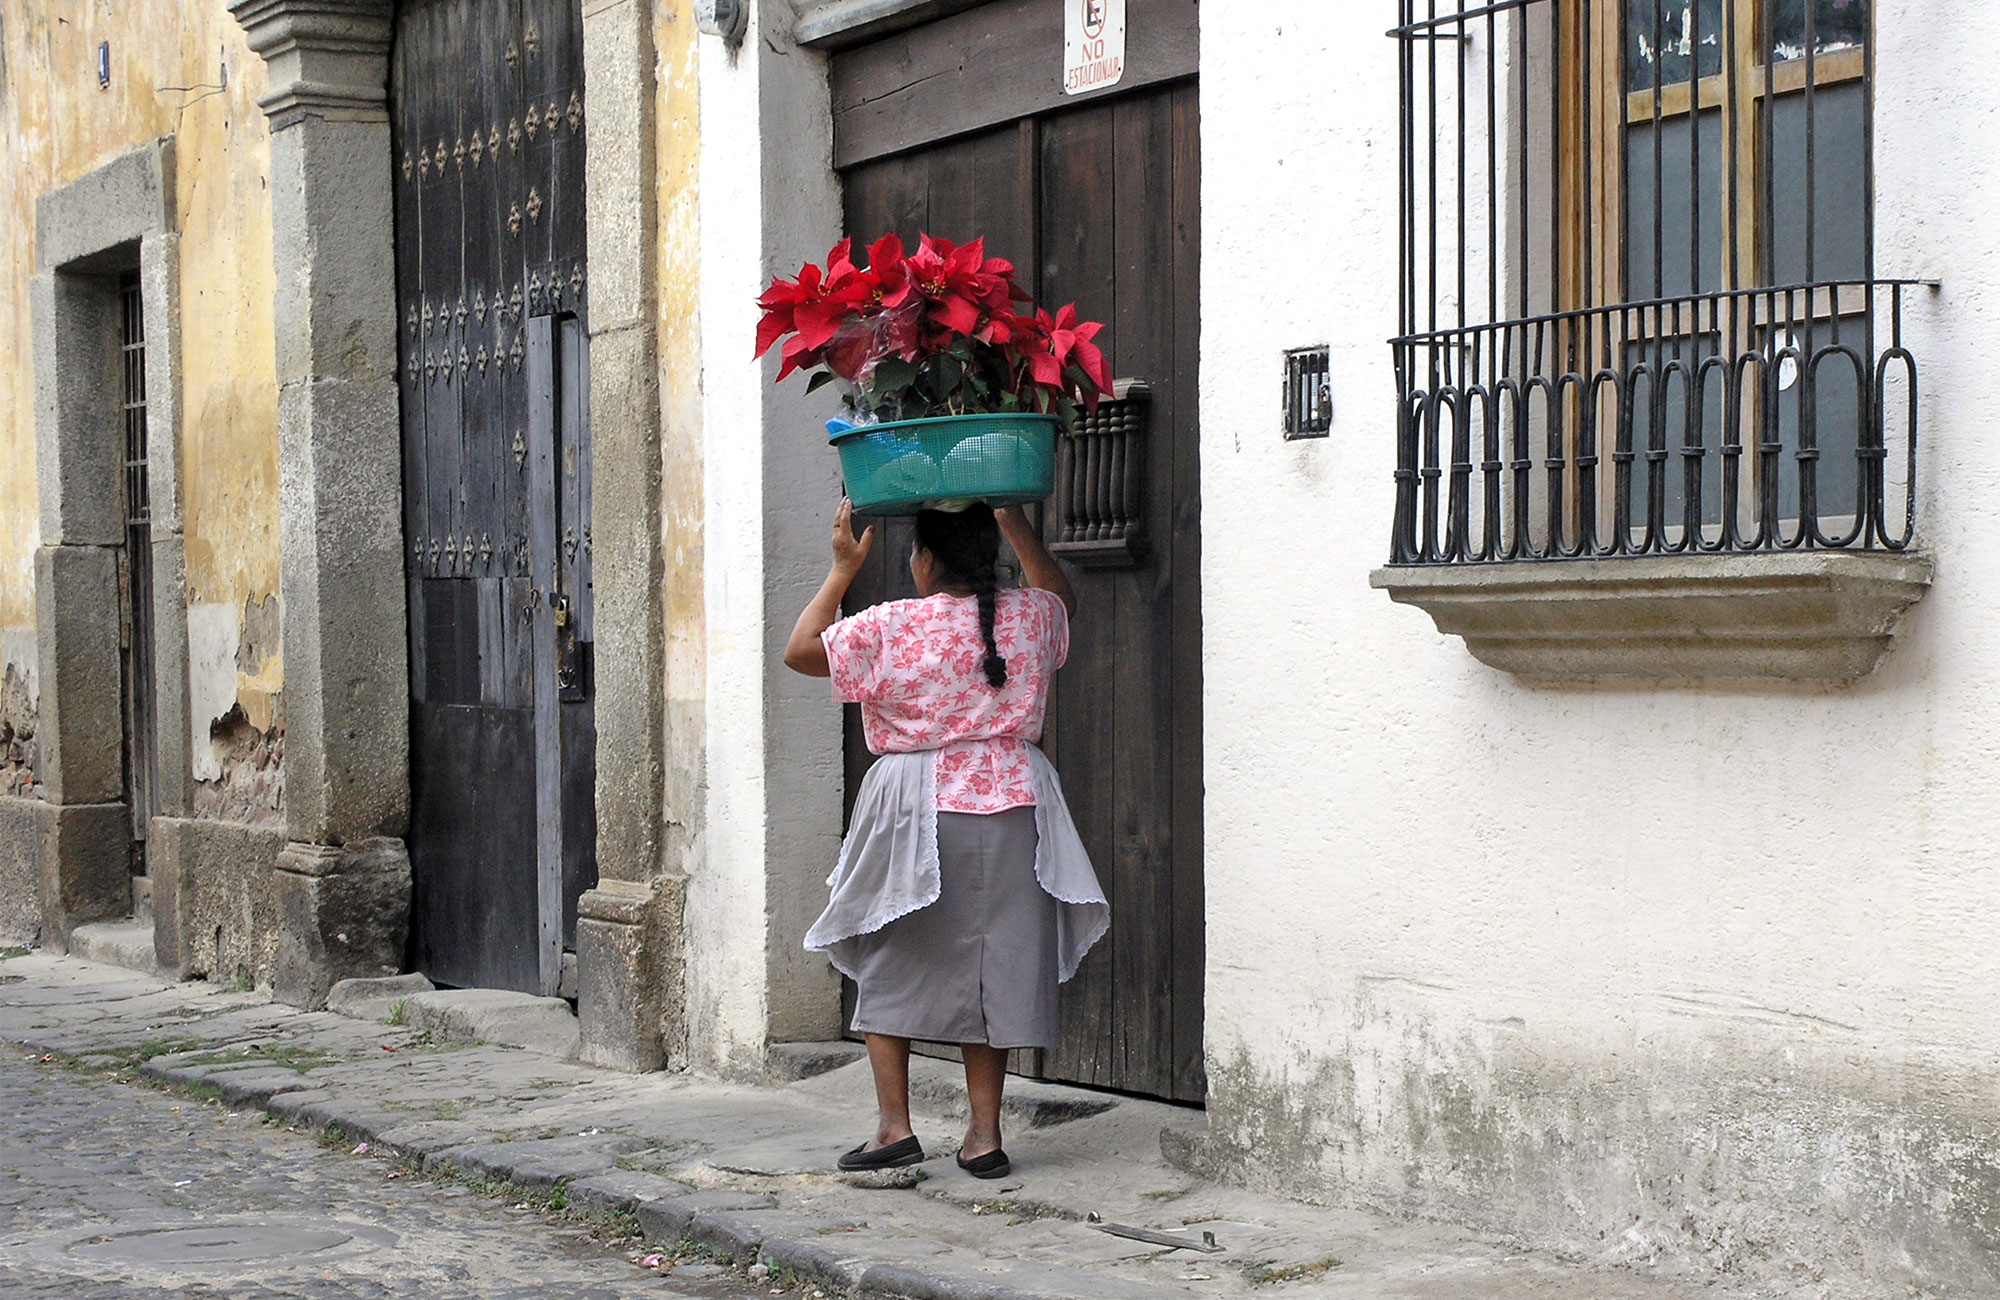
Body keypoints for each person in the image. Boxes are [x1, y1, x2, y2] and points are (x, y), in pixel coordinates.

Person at [785, 499, 1109, 1180]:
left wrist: (842, 570)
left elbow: (801, 651)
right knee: (992, 962)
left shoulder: (893, 625)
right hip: (1013, 802)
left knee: (888, 948)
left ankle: (894, 1127)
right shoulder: (1031, 618)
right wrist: (1014, 518)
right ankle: (984, 1135)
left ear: (925, 561)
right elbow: (1060, 597)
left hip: (916, 807)